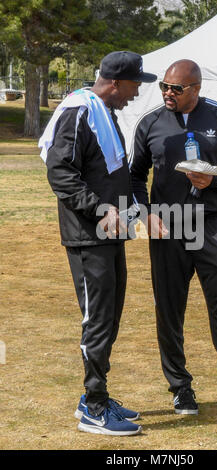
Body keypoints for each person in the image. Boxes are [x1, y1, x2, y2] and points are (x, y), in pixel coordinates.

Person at [130, 59, 217, 423]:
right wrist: (144, 214)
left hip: (213, 226)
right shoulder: (150, 123)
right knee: (169, 312)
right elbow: (135, 176)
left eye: (176, 88)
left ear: (195, 88)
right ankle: (180, 388)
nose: (168, 93)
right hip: (168, 229)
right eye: (164, 87)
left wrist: (215, 183)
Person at [38, 51, 157, 435]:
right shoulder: (79, 111)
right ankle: (93, 407)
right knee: (97, 320)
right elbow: (60, 170)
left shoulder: (103, 113)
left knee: (109, 317)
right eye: (135, 85)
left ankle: (97, 394)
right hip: (89, 236)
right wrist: (99, 209)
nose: (136, 93)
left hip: (110, 235)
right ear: (115, 83)